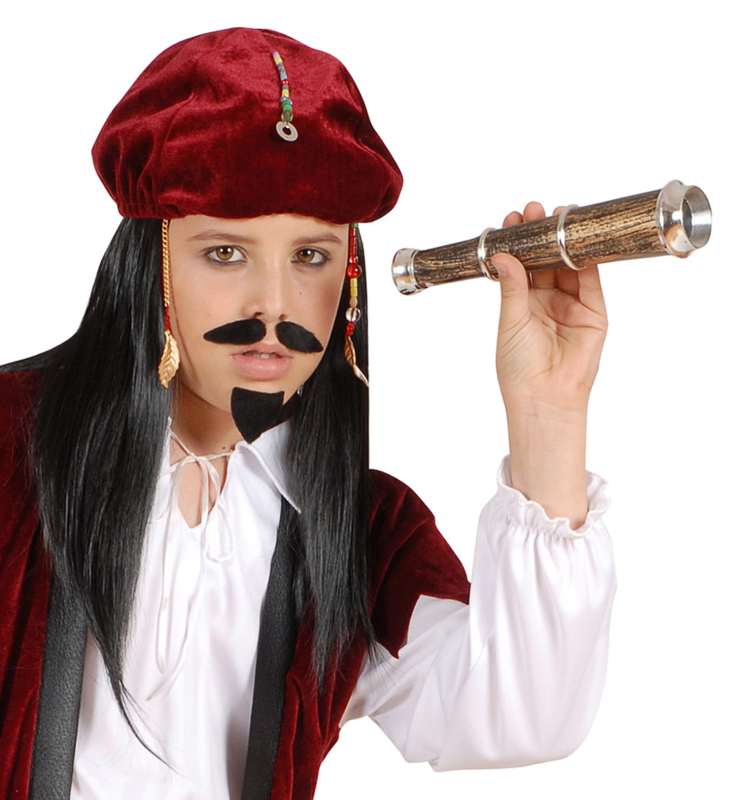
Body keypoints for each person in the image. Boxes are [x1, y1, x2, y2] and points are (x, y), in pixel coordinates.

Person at [0, 27, 615, 800]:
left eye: (310, 256)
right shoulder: (9, 443)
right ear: (151, 263)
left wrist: (547, 412)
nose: (275, 304)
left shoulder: (359, 533)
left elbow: (518, 717)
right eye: (226, 252)